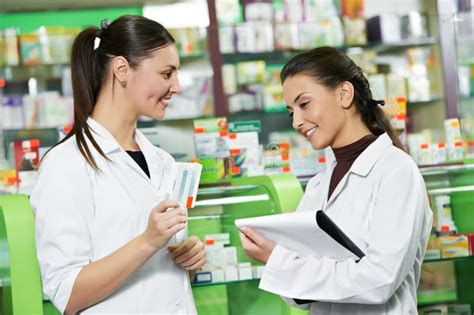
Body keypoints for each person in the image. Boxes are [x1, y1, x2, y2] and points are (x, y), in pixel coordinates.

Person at [31, 15, 206, 315]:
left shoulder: (161, 161)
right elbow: (68, 293)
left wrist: (185, 261)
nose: (176, 86)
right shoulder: (66, 164)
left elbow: (153, 280)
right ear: (123, 70)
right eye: (167, 73)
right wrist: (148, 242)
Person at [239, 47, 433, 314]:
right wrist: (281, 253)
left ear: (344, 94)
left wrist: (280, 261)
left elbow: (380, 280)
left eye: (304, 104)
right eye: (290, 111)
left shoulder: (396, 171)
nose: (296, 121)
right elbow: (301, 295)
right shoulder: (320, 183)